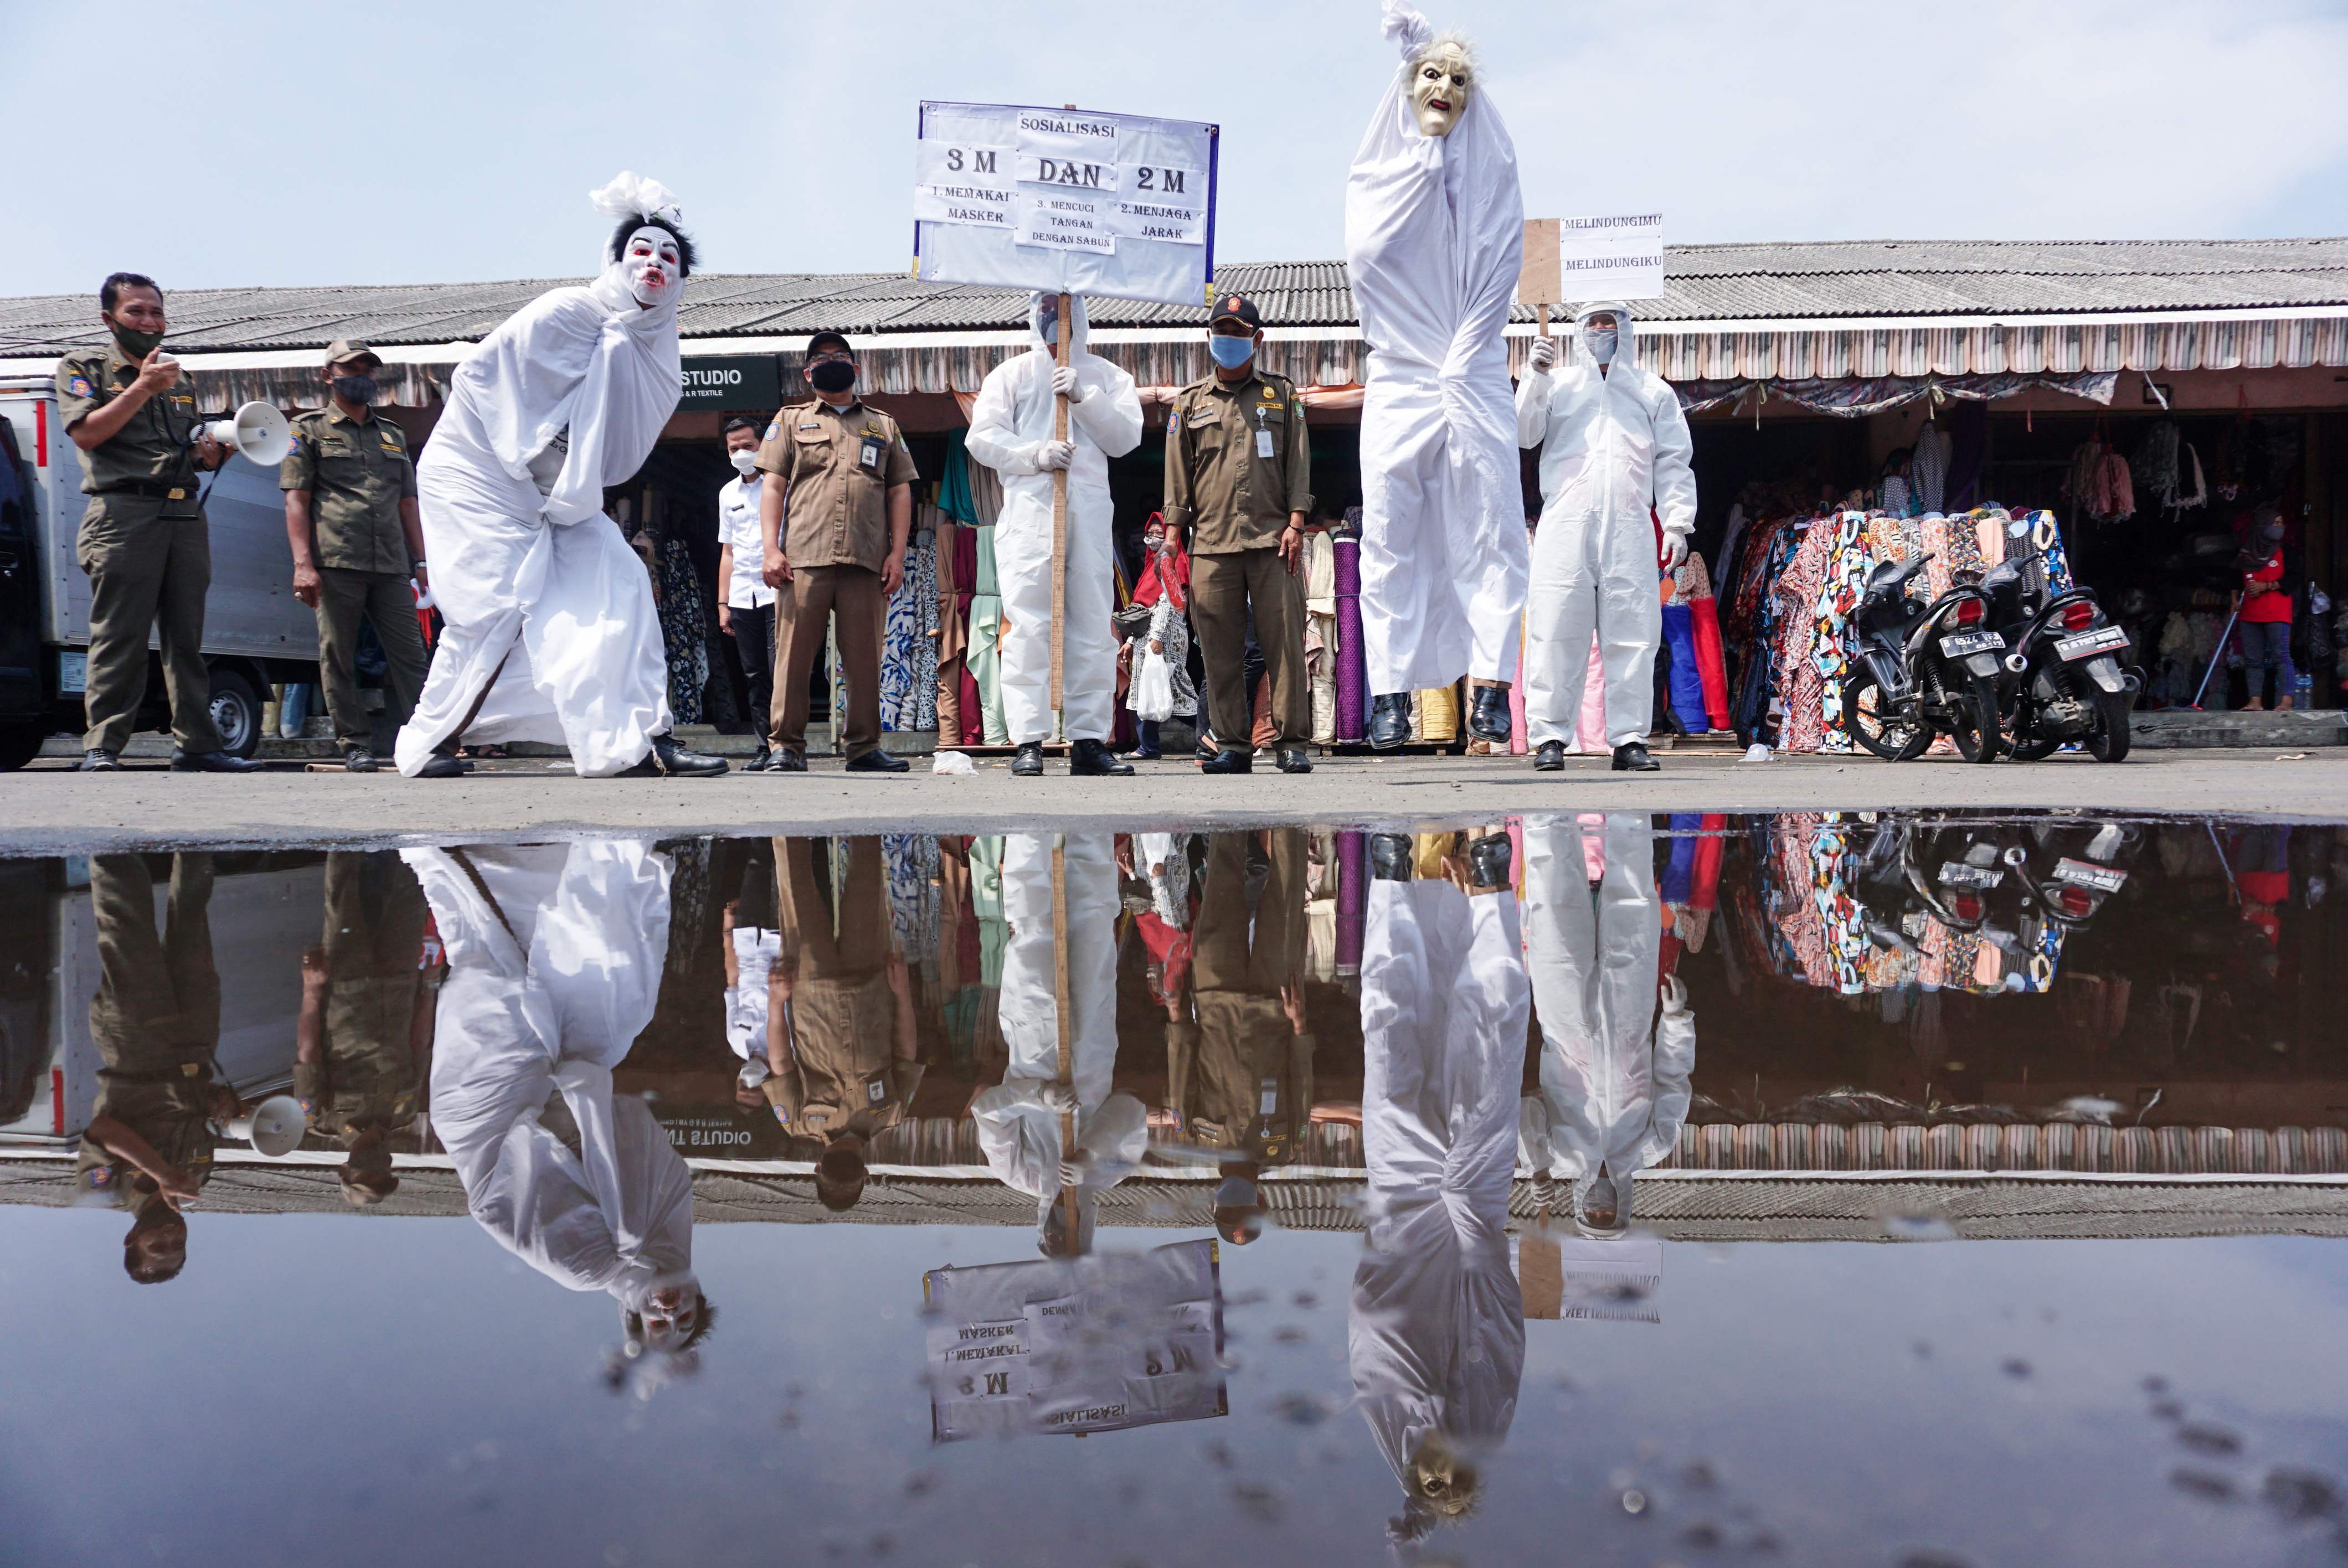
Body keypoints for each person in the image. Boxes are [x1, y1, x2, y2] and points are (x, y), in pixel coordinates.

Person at [393, 173, 725, 780]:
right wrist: (527, 464)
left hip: (559, 494)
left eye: (669, 257)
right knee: (494, 610)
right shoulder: (568, 310)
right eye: (642, 251)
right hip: (479, 474)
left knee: (624, 582)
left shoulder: (656, 348)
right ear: (615, 261)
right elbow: (477, 381)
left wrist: (560, 482)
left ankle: (644, 740)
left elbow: (620, 452)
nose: (654, 263)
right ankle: (430, 740)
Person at [406, 838, 710, 1353]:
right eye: (687, 1316)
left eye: (660, 1326)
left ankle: (448, 856)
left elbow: (497, 1201)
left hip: (491, 1117)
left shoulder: (586, 1269)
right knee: (618, 996)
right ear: (698, 1295)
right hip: (557, 1093)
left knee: (498, 976)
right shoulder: (668, 1213)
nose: (670, 1311)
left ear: (632, 1316)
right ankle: (578, 853)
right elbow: (626, 1116)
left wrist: (622, 1231)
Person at [1345, 6, 1527, 752]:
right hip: (1400, 372)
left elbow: (1502, 266)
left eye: (1456, 79)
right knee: (1391, 532)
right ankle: (1390, 692)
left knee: (1492, 527)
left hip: (1472, 366)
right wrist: (1422, 166)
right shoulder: (1376, 180)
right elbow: (1370, 259)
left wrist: (1467, 353)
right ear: (1408, 84)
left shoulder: (1492, 178)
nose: (1443, 88)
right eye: (1430, 74)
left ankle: (1491, 687)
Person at [1352, 823, 1527, 1548]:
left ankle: (1391, 881)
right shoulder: (1489, 1397)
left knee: (1391, 1039)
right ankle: (1489, 889)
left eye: (1431, 1484)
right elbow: (1500, 1301)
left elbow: (1371, 1312)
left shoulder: (1384, 1400)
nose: (1440, 1473)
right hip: (1473, 1198)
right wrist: (1464, 1214)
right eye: (1456, 1479)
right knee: (1489, 1039)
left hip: (1400, 1193)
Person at [54, 274, 259, 773]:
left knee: (186, 638)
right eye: (136, 311)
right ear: (109, 319)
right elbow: (87, 434)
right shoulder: (84, 367)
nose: (149, 321)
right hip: (123, 513)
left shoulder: (178, 376)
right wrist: (143, 386)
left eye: (156, 313)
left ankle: (198, 746)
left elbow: (184, 450)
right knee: (119, 635)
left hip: (183, 513)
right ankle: (103, 746)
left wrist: (211, 455)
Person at [965, 294, 1145, 778]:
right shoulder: (1012, 374)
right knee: (1028, 626)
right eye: (1045, 308)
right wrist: (1033, 455)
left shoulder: (1107, 376)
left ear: (1079, 315)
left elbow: (1125, 439)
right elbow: (982, 438)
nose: (1053, 318)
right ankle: (1029, 740)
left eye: (1062, 309)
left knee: (1092, 625)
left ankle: (1089, 740)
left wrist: (1086, 398)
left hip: (1088, 512)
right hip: (1030, 511)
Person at [1517, 302, 1697, 773]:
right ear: (1579, 331)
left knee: (1633, 634)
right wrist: (1534, 378)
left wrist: (1677, 522)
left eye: (1610, 323)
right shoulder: (1558, 385)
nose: (1601, 331)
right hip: (1565, 524)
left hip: (1630, 525)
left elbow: (1673, 459)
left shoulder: (1651, 391)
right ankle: (1549, 737)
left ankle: (1629, 739)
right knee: (1555, 628)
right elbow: (1523, 434)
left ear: (1626, 330)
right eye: (1593, 324)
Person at [1516, 814, 1694, 1235]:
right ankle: (1629, 812)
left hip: (1564, 1020)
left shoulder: (1557, 1155)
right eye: (1607, 1216)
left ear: (1579, 1208)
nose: (1600, 1208)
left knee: (1553, 911)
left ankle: (1545, 814)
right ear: (1624, 1209)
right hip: (1629, 1015)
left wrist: (1535, 1165)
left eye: (1591, 1216)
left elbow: (1525, 1111)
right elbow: (1673, 1079)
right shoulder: (1652, 1146)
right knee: (1632, 902)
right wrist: (1675, 1022)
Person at [971, 833, 1146, 1256]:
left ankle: (1030, 830)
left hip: (1032, 1028)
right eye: (1069, 1234)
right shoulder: (1112, 1171)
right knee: (1094, 920)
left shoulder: (1017, 1173)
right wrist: (1091, 1152)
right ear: (1085, 1230)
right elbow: (1132, 1111)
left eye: (1054, 1236)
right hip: (1093, 1030)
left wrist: (1039, 1096)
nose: (1061, 1225)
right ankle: (1089, 828)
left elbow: (987, 1111)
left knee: (1033, 924)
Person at [1162, 294, 1315, 776]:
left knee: (1284, 646)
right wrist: (1171, 538)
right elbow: (1177, 475)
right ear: (1209, 337)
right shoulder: (1190, 402)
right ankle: (1232, 744)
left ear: (1257, 339)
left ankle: (1291, 743)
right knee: (1219, 653)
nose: (1228, 340)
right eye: (1221, 332)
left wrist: (1296, 524)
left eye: (1238, 333)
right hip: (1211, 545)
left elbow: (1299, 463)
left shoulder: (1281, 394)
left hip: (1275, 542)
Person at [756, 331, 917, 775]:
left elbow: (899, 491)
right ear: (808, 374)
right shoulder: (790, 420)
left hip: (866, 559)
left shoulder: (883, 425)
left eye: (840, 356)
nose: (831, 362)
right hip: (803, 558)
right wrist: (770, 549)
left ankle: (864, 748)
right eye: (821, 358)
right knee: (793, 657)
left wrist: (897, 554)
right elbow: (773, 487)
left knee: (864, 659)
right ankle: (786, 747)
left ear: (856, 368)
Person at [74, 853, 230, 1283]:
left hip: (136, 1046)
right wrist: (220, 1104)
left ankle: (111, 831)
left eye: (158, 1247)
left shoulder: (104, 1189)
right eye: (178, 1246)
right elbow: (195, 1110)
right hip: (196, 1045)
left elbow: (104, 1131)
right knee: (192, 922)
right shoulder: (198, 1178)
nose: (170, 1238)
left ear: (132, 1239)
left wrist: (162, 1173)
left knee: (126, 923)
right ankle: (196, 838)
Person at [280, 339, 430, 772]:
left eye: (367, 369)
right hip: (337, 562)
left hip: (390, 564)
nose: (361, 377)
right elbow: (296, 501)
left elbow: (407, 503)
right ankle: (355, 744)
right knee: (338, 656)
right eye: (351, 369)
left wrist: (422, 562)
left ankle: (429, 739)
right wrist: (303, 565)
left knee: (411, 655)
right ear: (328, 375)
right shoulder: (307, 430)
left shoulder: (392, 434)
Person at [752, 836, 923, 1210]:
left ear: (818, 1167)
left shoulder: (798, 1122)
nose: (844, 1164)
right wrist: (903, 994)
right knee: (865, 878)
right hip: (870, 984)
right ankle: (867, 806)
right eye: (850, 1173)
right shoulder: (890, 1114)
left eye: (835, 1171)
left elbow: (781, 1063)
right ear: (865, 1173)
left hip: (811, 988)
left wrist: (776, 1001)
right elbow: (906, 1052)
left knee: (796, 883)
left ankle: (788, 809)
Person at [1163, 829, 1314, 1247]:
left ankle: (1228, 805)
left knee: (1221, 886)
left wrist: (1176, 1013)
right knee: (1286, 894)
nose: (1237, 1198)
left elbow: (1181, 1068)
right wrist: (1300, 1024)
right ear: (1260, 1200)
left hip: (1215, 999)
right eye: (1245, 1205)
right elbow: (1301, 1082)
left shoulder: (1195, 1137)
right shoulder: (1286, 1145)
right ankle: (1291, 816)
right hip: (1275, 1005)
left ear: (1215, 1204)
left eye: (1228, 1207)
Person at [294, 850, 434, 1205]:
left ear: (345, 1170)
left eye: (365, 1178)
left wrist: (311, 990)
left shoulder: (320, 1118)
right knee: (411, 890)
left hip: (347, 989)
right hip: (399, 983)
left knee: (343, 892)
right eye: (382, 1177)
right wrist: (430, 987)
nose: (375, 1172)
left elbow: (308, 1053)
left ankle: (343, 827)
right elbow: (419, 1044)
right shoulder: (405, 1112)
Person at [714, 416, 777, 768]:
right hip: (742, 595)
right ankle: (764, 747)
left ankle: (786, 745)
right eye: (733, 448)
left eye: (748, 446)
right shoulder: (727, 493)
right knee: (754, 676)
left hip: (779, 592)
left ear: (762, 445)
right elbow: (728, 551)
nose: (741, 453)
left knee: (780, 670)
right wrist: (723, 603)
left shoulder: (782, 484)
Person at [1127, 515, 1197, 759]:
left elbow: (1168, 602)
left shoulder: (1173, 563)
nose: (1154, 538)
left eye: (1161, 534)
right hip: (1147, 638)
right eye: (1151, 533)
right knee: (1145, 689)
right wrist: (1130, 641)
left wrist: (1156, 638)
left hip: (1165, 638)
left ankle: (1211, 737)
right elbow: (1142, 607)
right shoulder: (1151, 566)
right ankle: (1148, 746)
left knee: (1177, 691)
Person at [2237, 508, 2296, 711]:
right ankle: (2255, 701)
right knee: (2253, 660)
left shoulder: (2287, 551)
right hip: (2250, 613)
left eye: (2281, 523)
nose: (2279, 527)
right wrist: (2233, 599)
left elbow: (2295, 578)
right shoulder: (2247, 552)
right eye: (2275, 523)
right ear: (2262, 525)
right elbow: (2233, 577)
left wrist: (2267, 586)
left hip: (2277, 612)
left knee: (2281, 656)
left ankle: (2286, 701)